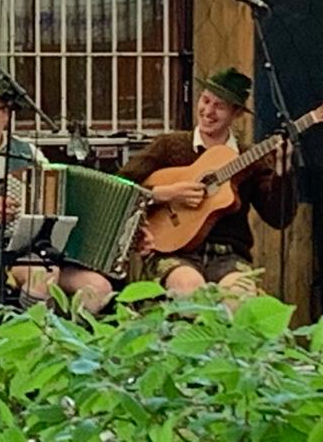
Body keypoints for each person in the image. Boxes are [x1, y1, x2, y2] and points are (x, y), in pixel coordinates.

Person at [0, 70, 113, 313]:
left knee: (98, 286)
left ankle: (69, 342)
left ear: (5, 114)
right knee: (43, 275)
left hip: (33, 249)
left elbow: (55, 197)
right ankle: (32, 343)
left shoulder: (27, 152)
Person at [119, 67, 295, 300]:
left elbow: (279, 218)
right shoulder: (169, 147)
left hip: (229, 256)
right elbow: (120, 185)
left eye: (219, 106)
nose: (208, 111)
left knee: (239, 296)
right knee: (189, 288)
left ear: (236, 114)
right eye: (205, 100)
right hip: (173, 253)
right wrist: (164, 193)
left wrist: (283, 169)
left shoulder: (250, 158)